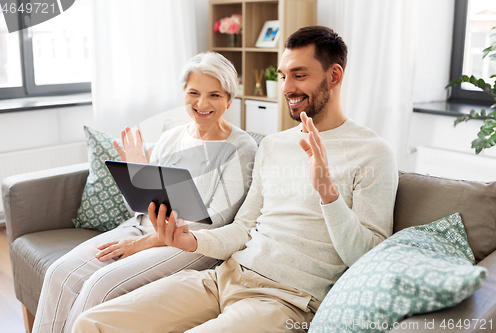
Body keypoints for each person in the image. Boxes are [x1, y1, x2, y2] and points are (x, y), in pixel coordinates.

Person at [72, 26, 398, 333]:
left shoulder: (372, 153)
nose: (286, 88)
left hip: (287, 300)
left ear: (334, 75)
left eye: (299, 75)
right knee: (92, 324)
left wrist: (328, 194)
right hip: (224, 277)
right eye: (283, 75)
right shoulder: (273, 145)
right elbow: (243, 229)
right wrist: (191, 241)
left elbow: (368, 258)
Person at [31, 52, 258, 333]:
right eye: (194, 93)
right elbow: (141, 208)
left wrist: (140, 245)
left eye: (214, 95)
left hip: (191, 244)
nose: (202, 103)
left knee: (99, 286)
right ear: (184, 94)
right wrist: (136, 174)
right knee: (59, 273)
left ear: (229, 98)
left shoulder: (242, 147)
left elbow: (215, 221)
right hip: (141, 229)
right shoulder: (172, 136)